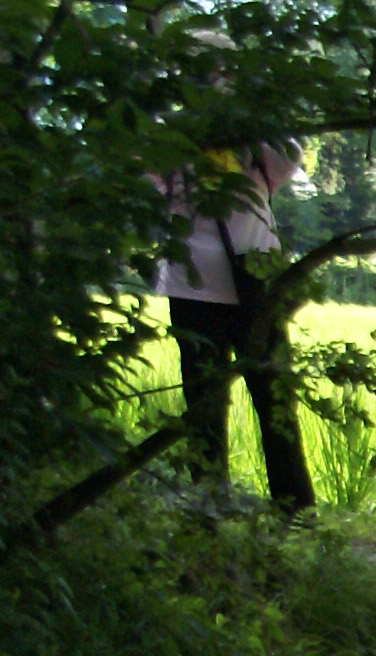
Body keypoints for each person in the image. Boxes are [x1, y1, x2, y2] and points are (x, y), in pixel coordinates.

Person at [154, 135, 314, 510]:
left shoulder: (256, 141)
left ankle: (287, 506)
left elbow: (290, 157)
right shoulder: (175, 134)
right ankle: (218, 503)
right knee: (216, 404)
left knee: (270, 401)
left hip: (247, 288)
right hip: (202, 287)